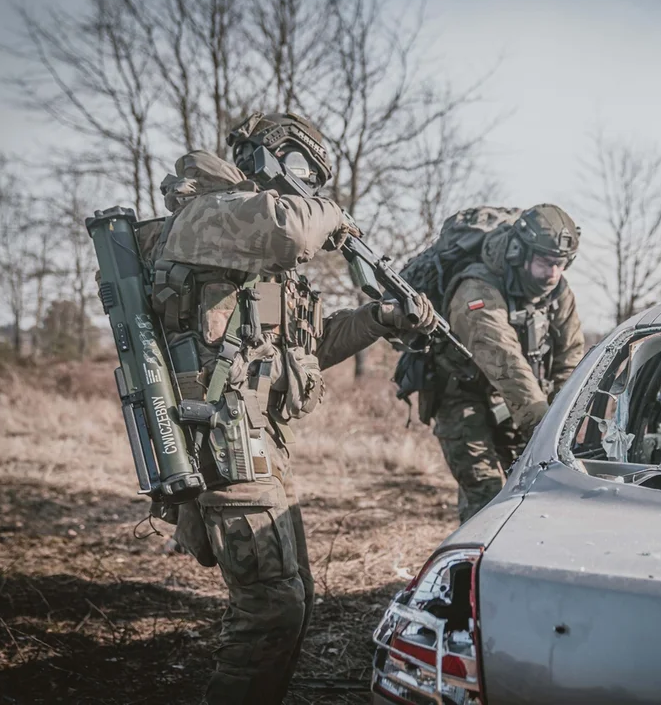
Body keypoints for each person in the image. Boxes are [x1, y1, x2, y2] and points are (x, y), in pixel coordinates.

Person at [136, 111, 437, 705]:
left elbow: (307, 348)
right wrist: (339, 219)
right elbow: (292, 230)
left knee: (293, 596)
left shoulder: (252, 255)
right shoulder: (209, 214)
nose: (309, 185)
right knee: (271, 607)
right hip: (223, 434)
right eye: (302, 167)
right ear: (266, 157)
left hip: (257, 439)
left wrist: (379, 318)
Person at [432, 204, 585, 522]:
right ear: (518, 252)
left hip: (520, 403)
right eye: (545, 262)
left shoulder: (558, 292)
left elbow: (570, 359)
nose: (553, 274)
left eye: (560, 264)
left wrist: (566, 422)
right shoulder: (476, 290)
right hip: (465, 399)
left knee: (534, 492)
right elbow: (505, 363)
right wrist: (545, 430)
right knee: (486, 499)